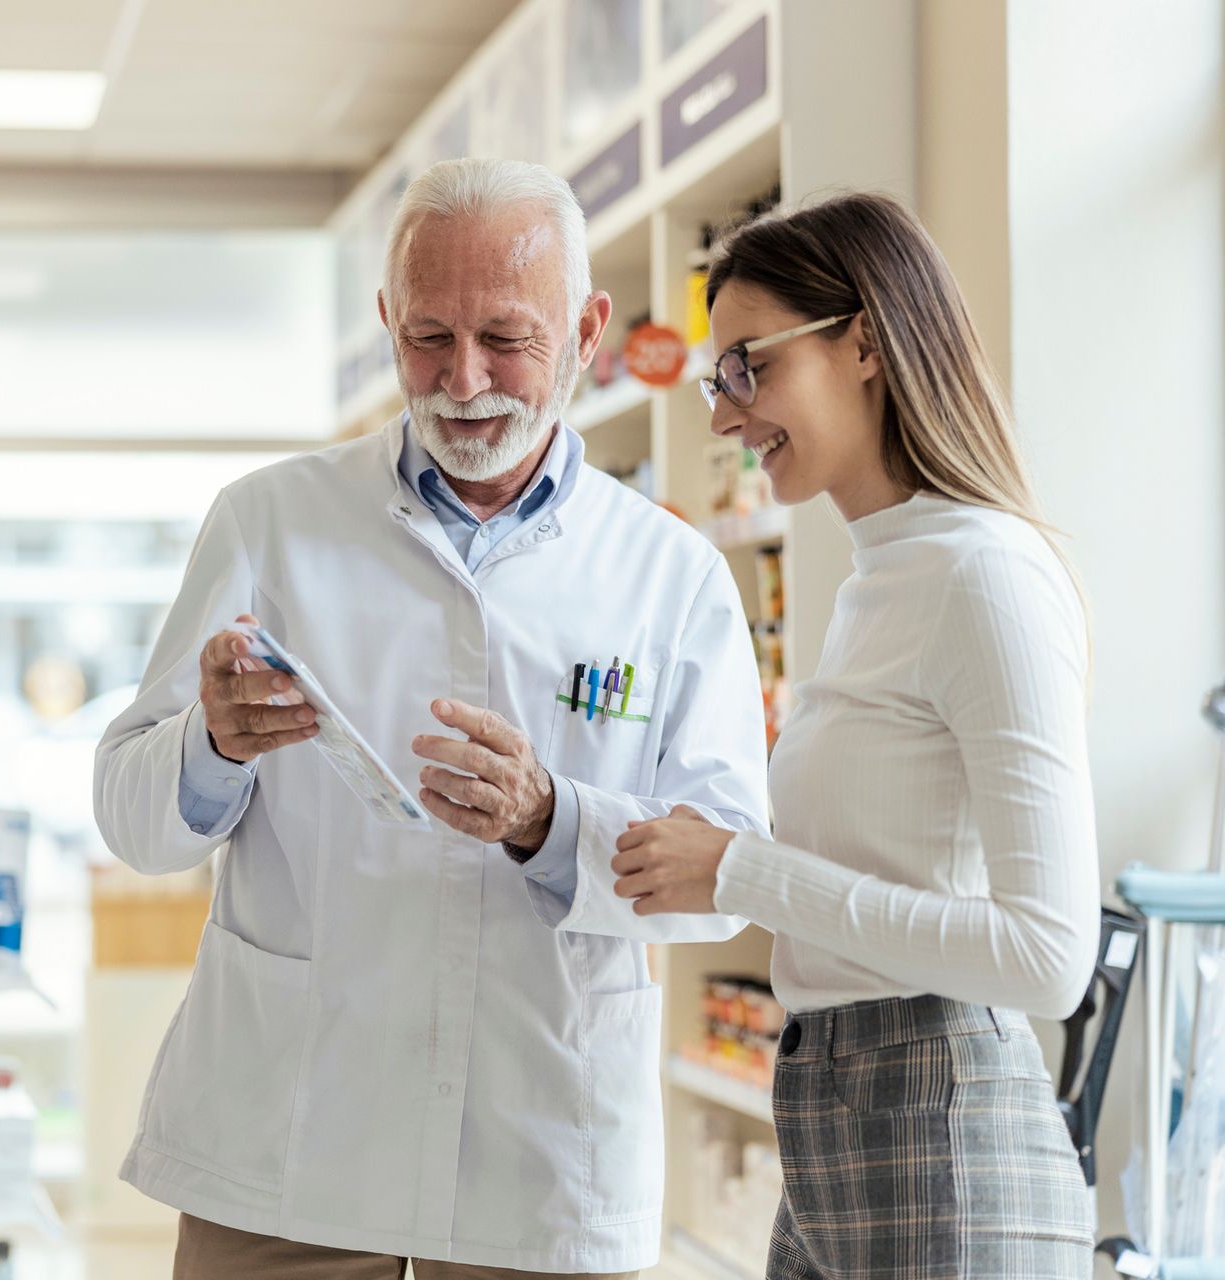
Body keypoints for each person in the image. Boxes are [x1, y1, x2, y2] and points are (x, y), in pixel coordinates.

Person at [94, 156, 770, 1278]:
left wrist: (555, 818)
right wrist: (208, 744)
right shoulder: (271, 521)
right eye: (427, 336)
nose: (463, 379)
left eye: (506, 337)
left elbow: (725, 878)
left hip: (540, 1159)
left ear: (588, 327)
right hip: (287, 1144)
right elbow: (133, 819)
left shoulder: (673, 576)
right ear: (385, 323)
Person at [611, 191, 1100, 1278]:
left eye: (748, 365)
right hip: (836, 1119)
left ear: (865, 340)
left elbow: (1047, 953)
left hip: (944, 1134)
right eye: (716, 379)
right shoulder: (882, 577)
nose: (724, 414)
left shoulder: (987, 575)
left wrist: (744, 869)